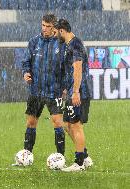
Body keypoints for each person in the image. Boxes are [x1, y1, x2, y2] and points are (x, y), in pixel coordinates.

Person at [18, 13, 66, 165]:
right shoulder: (34, 42)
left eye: (48, 26)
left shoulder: (61, 43)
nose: (44, 29)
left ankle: (60, 157)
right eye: (43, 25)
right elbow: (25, 62)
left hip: (54, 91)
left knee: (58, 123)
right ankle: (27, 155)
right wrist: (26, 72)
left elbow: (66, 67)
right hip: (36, 91)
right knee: (31, 122)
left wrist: (65, 87)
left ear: (54, 28)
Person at [55, 19, 93, 172]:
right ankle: (84, 156)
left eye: (56, 31)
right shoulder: (69, 45)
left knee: (76, 125)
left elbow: (77, 69)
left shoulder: (75, 45)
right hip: (72, 91)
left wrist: (76, 91)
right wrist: (66, 89)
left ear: (62, 30)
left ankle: (79, 163)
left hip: (79, 92)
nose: (55, 34)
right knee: (67, 124)